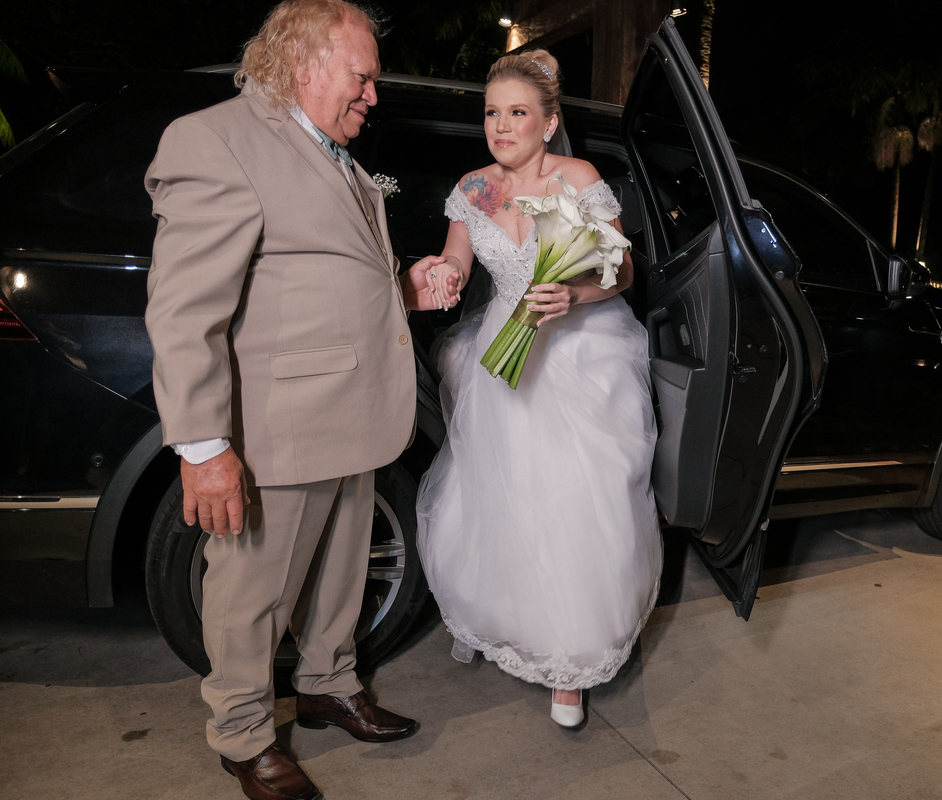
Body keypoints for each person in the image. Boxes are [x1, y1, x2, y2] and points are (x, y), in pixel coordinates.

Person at [143, 2, 441, 798]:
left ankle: (328, 685)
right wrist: (204, 447)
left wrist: (404, 286)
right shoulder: (216, 140)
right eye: (362, 77)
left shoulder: (333, 153)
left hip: (355, 413)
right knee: (253, 593)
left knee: (342, 570)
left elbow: (325, 274)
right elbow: (184, 310)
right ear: (304, 64)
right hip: (280, 426)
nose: (373, 95)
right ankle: (242, 734)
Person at [415, 50, 662, 728]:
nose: (500, 126)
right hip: (504, 351)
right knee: (504, 494)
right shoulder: (473, 189)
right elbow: (458, 259)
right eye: (491, 113)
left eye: (516, 112)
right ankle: (501, 617)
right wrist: (445, 275)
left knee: (575, 502)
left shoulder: (576, 179)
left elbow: (620, 270)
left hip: (581, 352)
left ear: (548, 123)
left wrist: (574, 295)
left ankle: (570, 666)